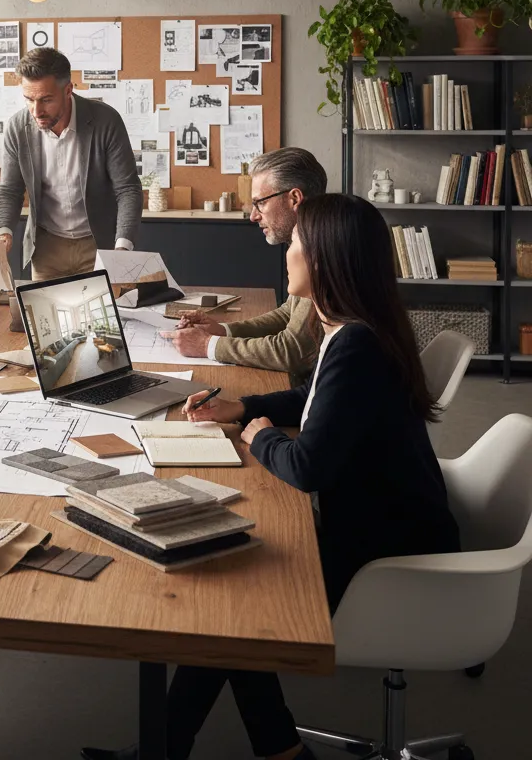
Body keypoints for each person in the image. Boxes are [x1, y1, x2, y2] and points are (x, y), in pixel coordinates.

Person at [83, 194, 459, 760]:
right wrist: (242, 407)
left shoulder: (356, 343)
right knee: (237, 602)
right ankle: (257, 749)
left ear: (326, 259)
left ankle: (184, 749)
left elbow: (307, 467)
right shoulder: (356, 329)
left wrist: (258, 435)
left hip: (386, 552)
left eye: (297, 243)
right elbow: (314, 398)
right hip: (388, 519)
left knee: (239, 603)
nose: (287, 251)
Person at [161, 147, 326, 384]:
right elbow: (288, 313)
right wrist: (223, 331)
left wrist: (208, 345)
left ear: (294, 199)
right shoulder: (314, 240)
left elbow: (292, 351)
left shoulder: (324, 253)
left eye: (261, 203)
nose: (253, 216)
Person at [0, 47, 142, 281]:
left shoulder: (105, 121)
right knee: (44, 306)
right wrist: (4, 231)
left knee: (102, 307)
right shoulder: (17, 127)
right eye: (29, 99)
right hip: (46, 249)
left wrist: (122, 248)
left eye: (46, 100)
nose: (36, 111)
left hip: (99, 245)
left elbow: (128, 189)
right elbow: (9, 190)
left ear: (68, 90)